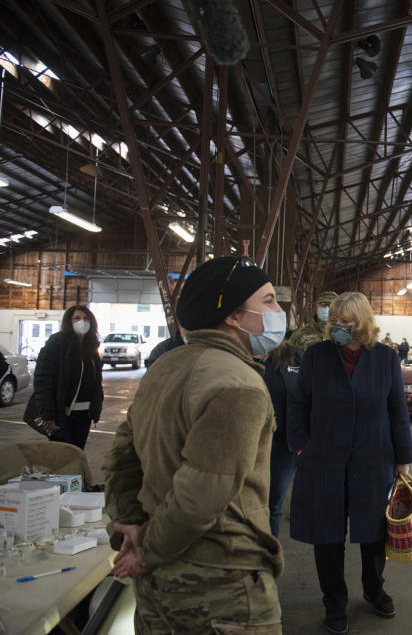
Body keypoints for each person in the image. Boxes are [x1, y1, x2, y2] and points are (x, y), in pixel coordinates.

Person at [103, 256, 286, 633]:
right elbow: (203, 491)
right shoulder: (238, 384)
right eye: (268, 301)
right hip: (221, 586)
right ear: (234, 316)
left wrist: (132, 528)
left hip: (157, 589)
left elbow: (123, 457)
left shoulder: (164, 368)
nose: (278, 311)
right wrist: (146, 550)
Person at [288, 291, 412, 635]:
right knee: (327, 537)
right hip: (324, 460)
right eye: (336, 322)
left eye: (347, 322)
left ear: (363, 323)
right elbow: (298, 403)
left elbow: (397, 411)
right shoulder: (316, 356)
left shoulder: (386, 358)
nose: (341, 328)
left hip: (374, 459)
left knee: (374, 533)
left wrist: (403, 458)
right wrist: (301, 447)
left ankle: (374, 590)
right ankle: (335, 603)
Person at [32, 305, 103, 450]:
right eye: (77, 318)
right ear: (68, 322)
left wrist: (96, 407)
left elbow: (96, 381)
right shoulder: (57, 343)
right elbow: (43, 380)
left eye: (85, 318)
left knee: (77, 453)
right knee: (62, 458)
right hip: (62, 415)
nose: (82, 321)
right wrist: (47, 414)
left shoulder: (91, 348)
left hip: (84, 415)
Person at [262, 333, 302, 537]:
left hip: (282, 446)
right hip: (247, 442)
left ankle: (267, 561)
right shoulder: (237, 357)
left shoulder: (295, 358)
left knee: (271, 505)